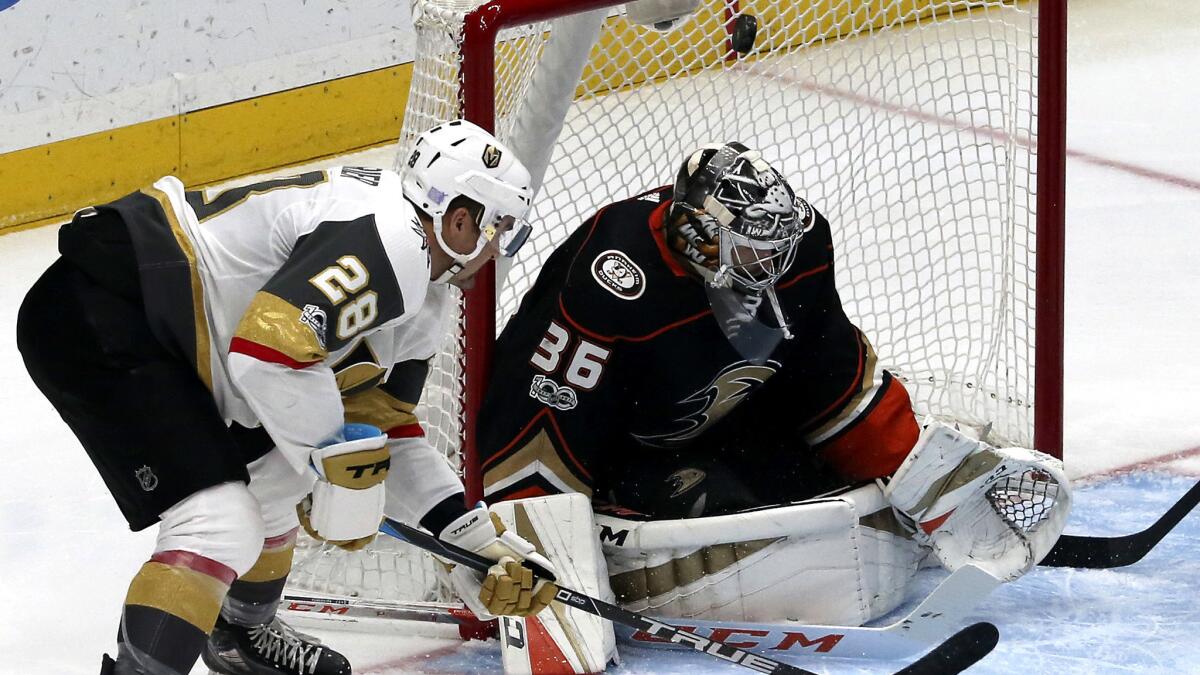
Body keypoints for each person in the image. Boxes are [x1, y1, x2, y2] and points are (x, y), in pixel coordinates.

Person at [474, 142, 1071, 671]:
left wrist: (903, 461)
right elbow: (546, 410)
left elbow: (824, 366)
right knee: (716, 505)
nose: (777, 265)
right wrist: (533, 542)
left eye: (780, 246)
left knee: (813, 487)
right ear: (700, 238)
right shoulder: (614, 275)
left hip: (721, 422)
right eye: (757, 251)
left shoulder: (801, 248)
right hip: (621, 455)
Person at [17, 119, 556, 675]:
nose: (501, 247)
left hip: (168, 328)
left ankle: (240, 634)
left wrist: (466, 537)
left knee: (286, 470)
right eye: (501, 228)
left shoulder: (421, 293)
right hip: (104, 309)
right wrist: (335, 459)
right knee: (221, 520)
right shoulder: (392, 238)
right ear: (460, 221)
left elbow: (380, 428)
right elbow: (268, 347)